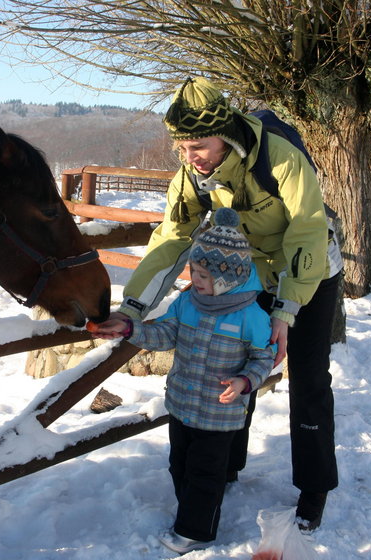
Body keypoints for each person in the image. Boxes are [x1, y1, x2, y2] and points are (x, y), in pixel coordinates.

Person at [110, 77, 344, 532]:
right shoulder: (191, 177)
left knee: (309, 378)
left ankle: (314, 487)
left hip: (310, 270)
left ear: (226, 133)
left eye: (197, 145)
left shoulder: (280, 158)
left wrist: (285, 312)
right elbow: (172, 238)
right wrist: (133, 308)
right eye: (180, 147)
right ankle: (228, 463)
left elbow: (307, 230)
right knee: (237, 365)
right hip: (251, 274)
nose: (188, 157)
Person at [92, 208, 275, 554]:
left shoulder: (251, 316)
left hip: (220, 416)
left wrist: (245, 383)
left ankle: (196, 530)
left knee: (205, 474)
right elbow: (165, 334)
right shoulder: (187, 302)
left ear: (228, 275)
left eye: (204, 274)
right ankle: (191, 511)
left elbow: (263, 357)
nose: (196, 279)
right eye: (195, 270)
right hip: (182, 404)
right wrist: (131, 328)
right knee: (180, 466)